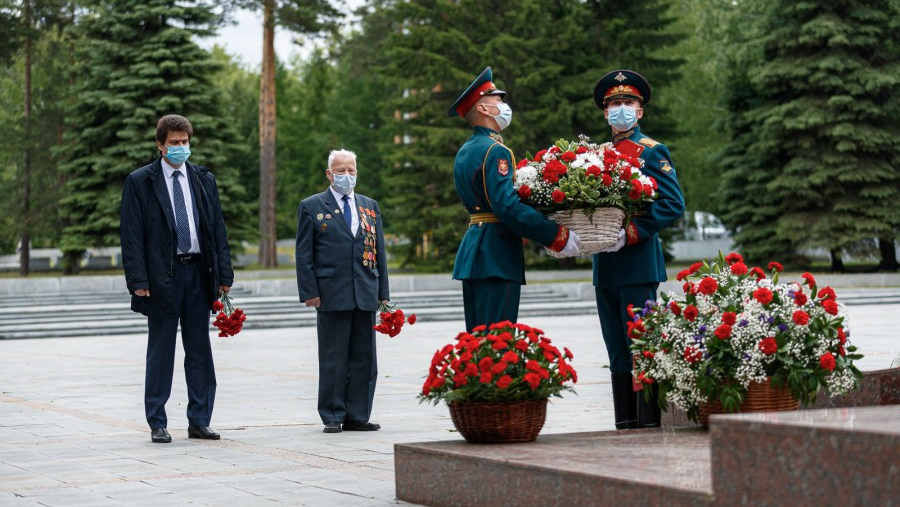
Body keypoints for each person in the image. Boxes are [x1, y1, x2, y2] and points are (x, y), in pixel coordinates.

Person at [120, 114, 234, 443]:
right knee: (162, 351)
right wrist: (138, 279)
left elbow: (217, 230)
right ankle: (157, 421)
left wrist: (224, 275)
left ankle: (200, 419)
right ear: (160, 145)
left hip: (198, 274)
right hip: (161, 279)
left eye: (185, 142)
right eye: (174, 143)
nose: (181, 148)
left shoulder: (202, 179)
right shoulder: (140, 182)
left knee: (199, 351)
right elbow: (131, 236)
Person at [448, 66, 581, 332]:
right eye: (498, 100)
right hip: (497, 253)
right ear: (484, 109)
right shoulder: (495, 150)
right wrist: (555, 235)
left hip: (476, 248)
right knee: (497, 339)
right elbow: (506, 206)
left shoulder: (467, 150)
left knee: (477, 339)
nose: (504, 105)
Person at [590, 70, 685, 429]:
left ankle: (648, 421)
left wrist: (631, 232)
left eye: (629, 103)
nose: (622, 109)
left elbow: (673, 204)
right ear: (605, 112)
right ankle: (625, 421)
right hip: (605, 264)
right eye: (614, 104)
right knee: (616, 349)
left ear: (640, 112)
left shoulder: (651, 151)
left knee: (642, 345)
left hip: (638, 262)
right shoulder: (594, 155)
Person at [295, 149, 389, 434]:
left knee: (365, 358)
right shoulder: (312, 206)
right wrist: (309, 291)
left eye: (351, 171)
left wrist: (383, 293)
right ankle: (333, 415)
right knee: (334, 358)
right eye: (340, 171)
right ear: (329, 173)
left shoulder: (369, 206)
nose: (346, 176)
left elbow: (379, 251)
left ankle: (358, 415)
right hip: (331, 292)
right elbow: (304, 254)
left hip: (365, 290)